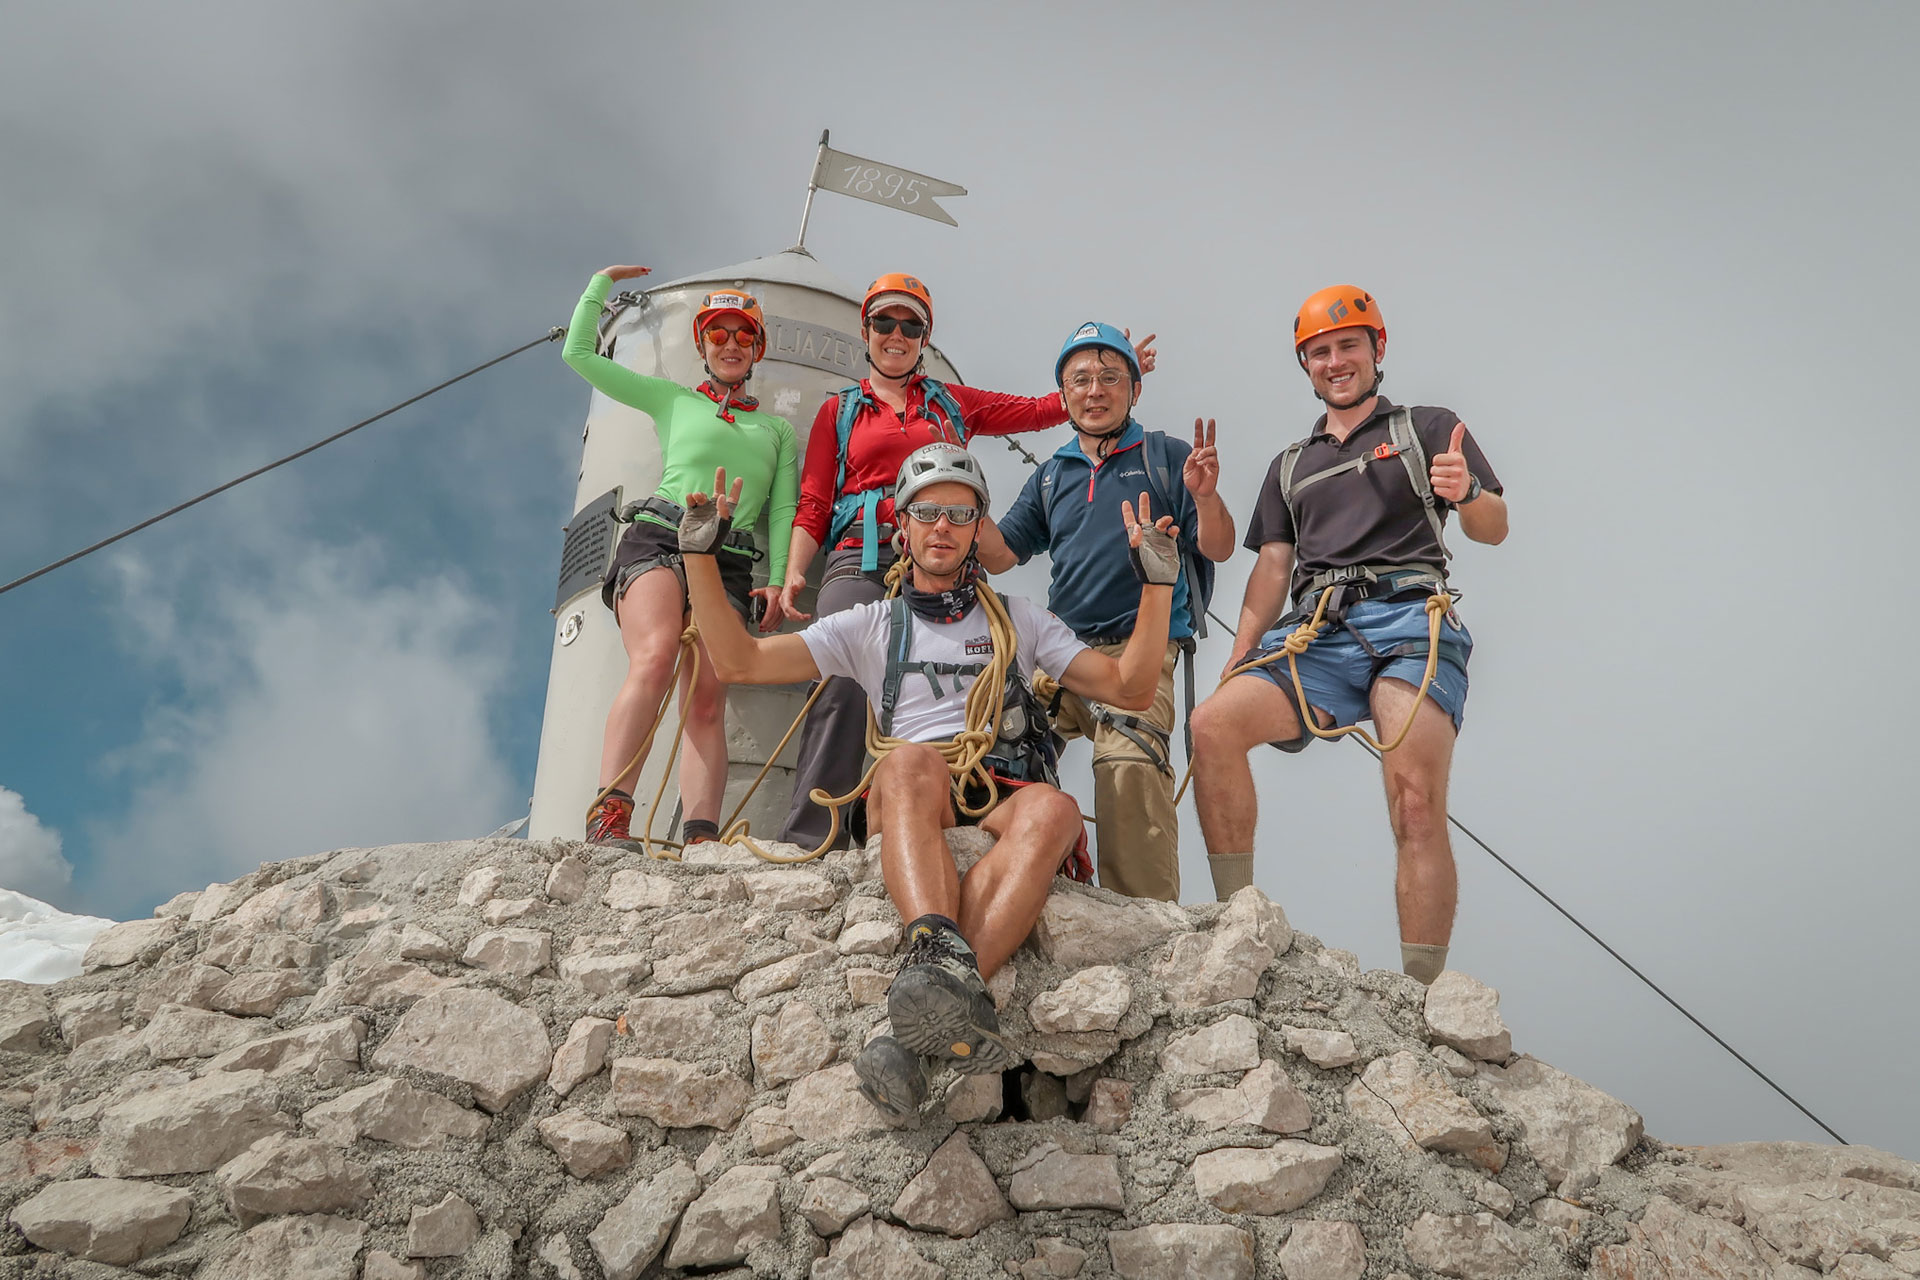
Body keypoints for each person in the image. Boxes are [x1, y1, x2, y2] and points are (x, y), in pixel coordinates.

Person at [677, 443, 1180, 1120]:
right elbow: (736, 661)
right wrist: (699, 559)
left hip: (1000, 784)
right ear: (902, 528)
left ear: (978, 530)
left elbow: (1131, 684)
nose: (942, 525)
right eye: (927, 512)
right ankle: (940, 949)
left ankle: (923, 1021)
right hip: (916, 787)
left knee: (1056, 812)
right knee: (909, 760)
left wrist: (1156, 586)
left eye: (960, 513)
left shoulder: (1020, 620)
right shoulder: (871, 625)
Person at [1189, 285, 1507, 982]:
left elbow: (1495, 528)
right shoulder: (1290, 465)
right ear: (1305, 364)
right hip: (1319, 629)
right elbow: (1273, 568)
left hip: (1410, 619)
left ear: (1377, 348)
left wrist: (1471, 494)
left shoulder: (1426, 428)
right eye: (1320, 352)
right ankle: (1236, 925)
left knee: (1415, 801)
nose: (1335, 362)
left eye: (1348, 346)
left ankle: (1423, 997)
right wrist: (1241, 656)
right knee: (1212, 726)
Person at [776, 273, 1156, 850]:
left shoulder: (951, 402)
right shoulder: (841, 410)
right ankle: (814, 833)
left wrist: (1109, 381)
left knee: (985, 681)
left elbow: (1035, 411)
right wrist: (794, 572)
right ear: (868, 330)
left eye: (911, 324)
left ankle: (974, 806)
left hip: (947, 562)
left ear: (925, 336)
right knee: (840, 681)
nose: (897, 334)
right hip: (863, 554)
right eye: (885, 322)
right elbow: (813, 500)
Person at [977, 321, 1235, 901]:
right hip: (1060, 654)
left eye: (1110, 378)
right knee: (989, 746)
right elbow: (998, 554)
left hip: (1139, 650)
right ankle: (997, 882)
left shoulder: (1166, 457)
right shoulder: (1051, 476)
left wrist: (1204, 497)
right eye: (1081, 379)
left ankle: (1142, 922)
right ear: (1064, 395)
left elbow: (1218, 546)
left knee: (1128, 760)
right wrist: (957, 497)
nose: (1095, 390)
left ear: (1134, 390)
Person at [561, 265, 799, 849]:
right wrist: (598, 284)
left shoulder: (776, 431)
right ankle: (610, 814)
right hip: (663, 535)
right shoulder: (671, 399)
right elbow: (580, 355)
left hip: (731, 561)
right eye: (718, 335)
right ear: (702, 345)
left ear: (758, 348)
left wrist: (774, 579)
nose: (732, 345)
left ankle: (701, 839)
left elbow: (782, 511)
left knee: (709, 698)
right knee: (656, 655)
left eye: (744, 335)